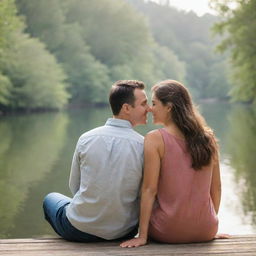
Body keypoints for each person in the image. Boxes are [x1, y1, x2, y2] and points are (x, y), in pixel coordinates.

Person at [43, 80, 150, 242]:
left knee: (50, 198)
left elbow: (75, 186)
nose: (148, 109)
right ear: (126, 108)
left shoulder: (86, 138)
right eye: (144, 104)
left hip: (78, 230)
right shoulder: (144, 145)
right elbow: (145, 194)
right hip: (124, 232)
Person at [121, 80, 222, 247]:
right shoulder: (208, 138)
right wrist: (209, 222)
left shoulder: (155, 139)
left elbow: (149, 189)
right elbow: (216, 187)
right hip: (207, 230)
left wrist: (142, 236)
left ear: (169, 107)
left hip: (167, 231)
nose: (150, 108)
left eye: (154, 103)